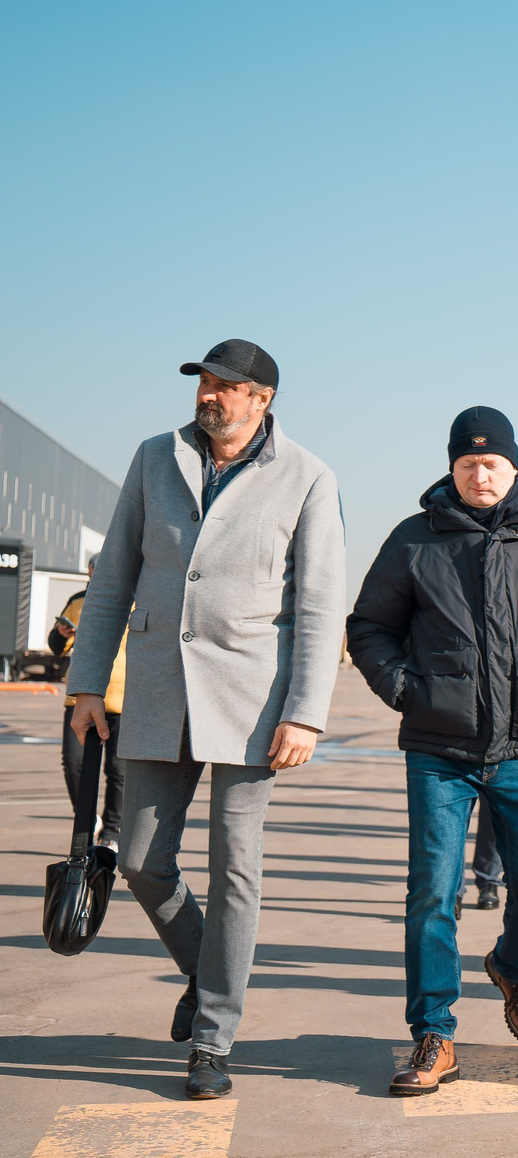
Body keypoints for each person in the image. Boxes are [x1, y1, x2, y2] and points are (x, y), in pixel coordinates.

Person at [67, 339, 346, 1101]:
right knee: (139, 859)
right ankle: (204, 967)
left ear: (262, 399)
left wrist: (306, 713)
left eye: (226, 387)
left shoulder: (308, 477)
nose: (208, 396)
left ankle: (213, 1037)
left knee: (236, 865)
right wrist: (87, 682)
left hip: (254, 703)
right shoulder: (154, 457)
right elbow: (115, 574)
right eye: (204, 384)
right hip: (158, 688)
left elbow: (319, 606)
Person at [347, 407, 518, 1097]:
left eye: (490, 462)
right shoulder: (415, 538)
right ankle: (434, 1034)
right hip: (441, 747)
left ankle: (511, 964)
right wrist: (408, 690)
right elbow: (370, 627)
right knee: (432, 894)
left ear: (513, 463)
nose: (479, 473)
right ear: (451, 467)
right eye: (467, 463)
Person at [50, 565, 128, 852]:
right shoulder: (78, 600)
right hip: (81, 697)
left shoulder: (138, 598)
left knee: (118, 769)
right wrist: (61, 633)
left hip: (124, 697)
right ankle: (88, 818)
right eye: (93, 571)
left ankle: (112, 832)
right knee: (73, 762)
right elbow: (57, 646)